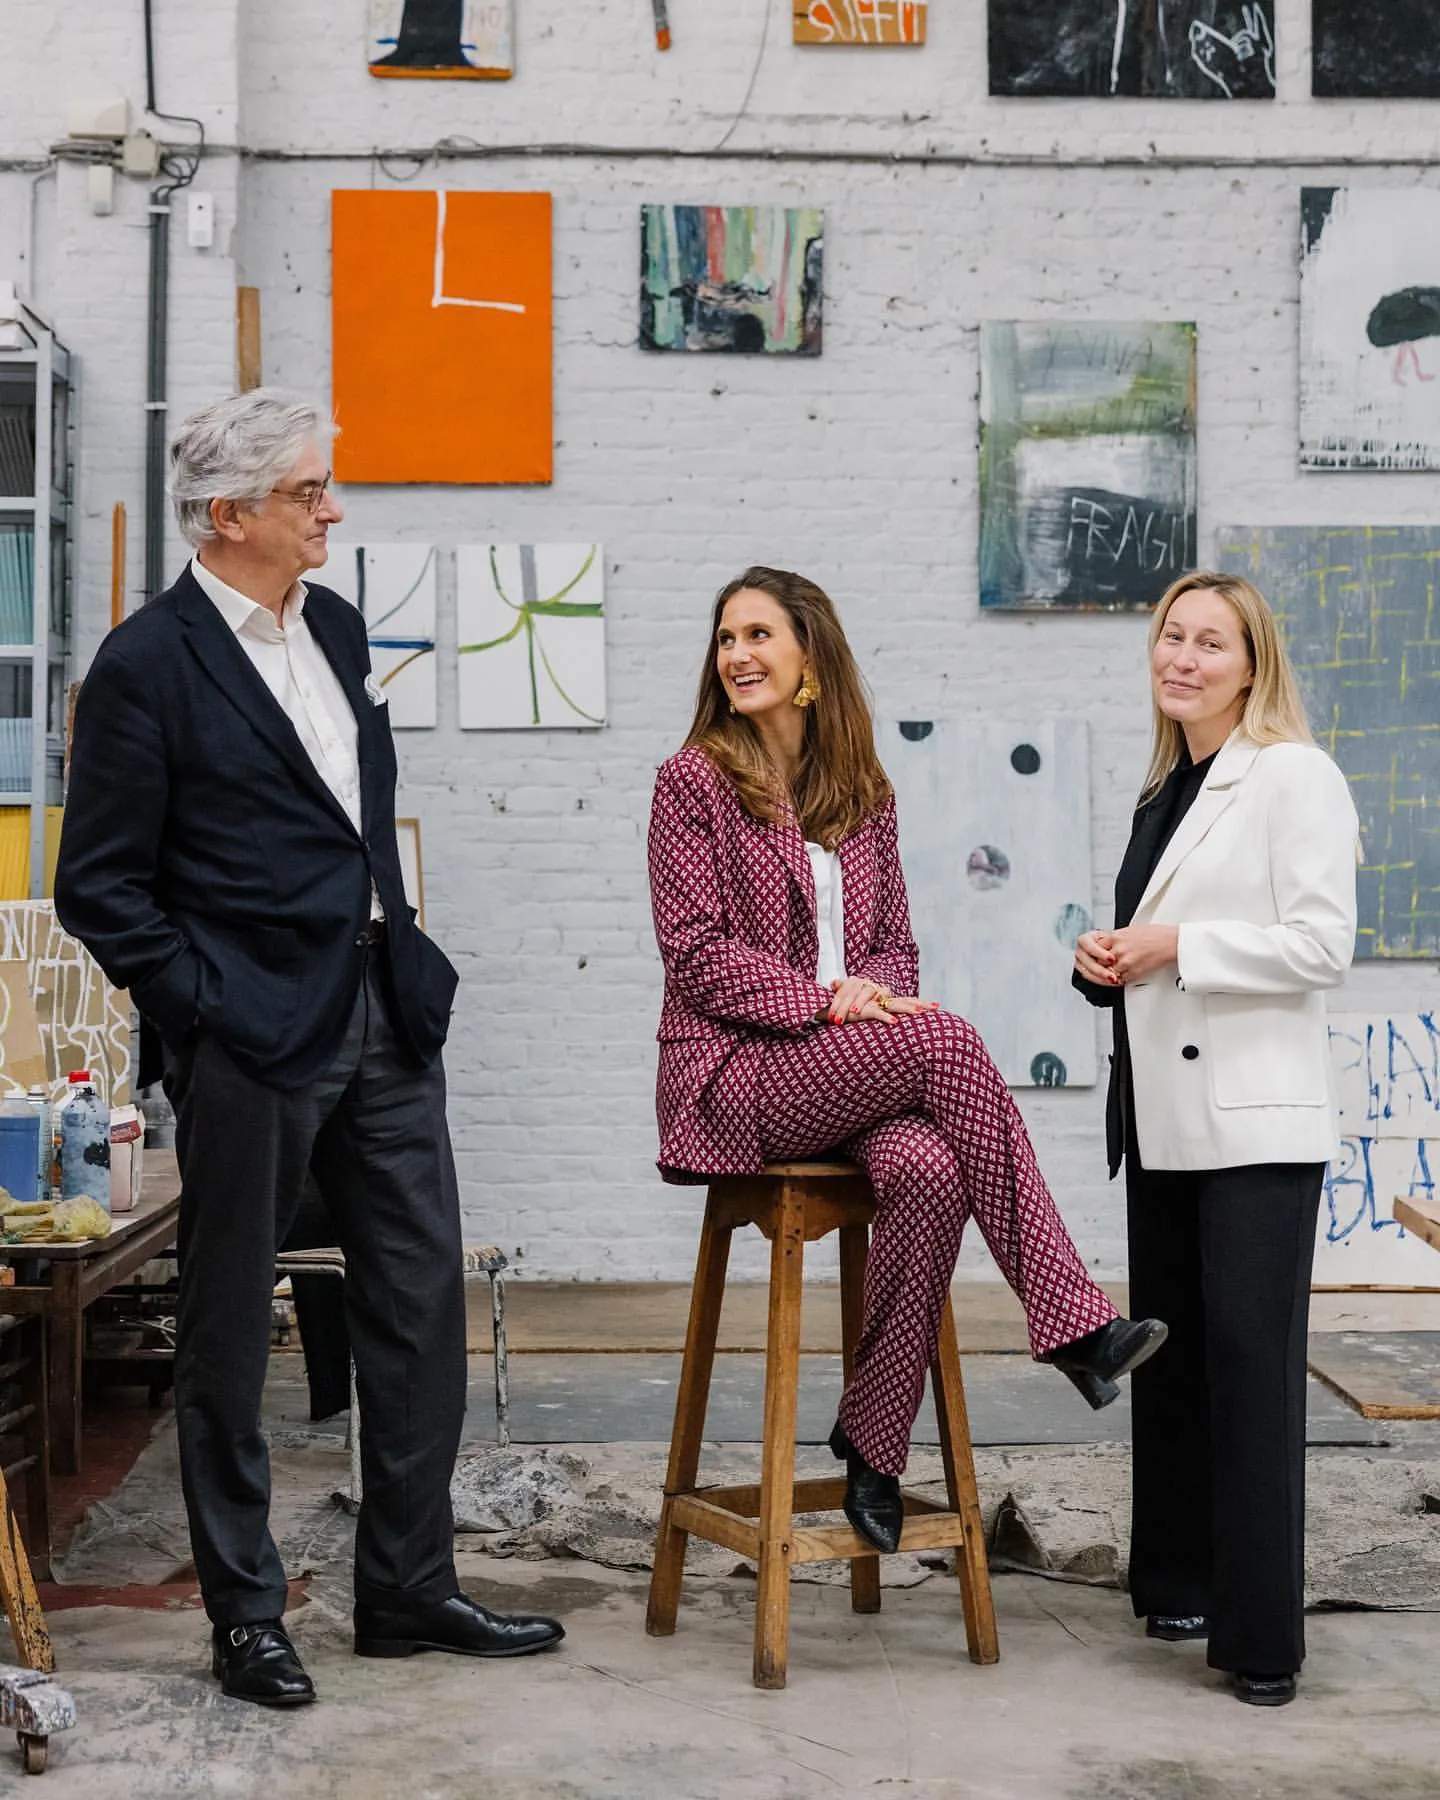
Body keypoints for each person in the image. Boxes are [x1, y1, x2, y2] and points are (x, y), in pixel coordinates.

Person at [54, 390, 563, 1707]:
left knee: (416, 1307)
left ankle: (404, 1587)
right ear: (229, 516)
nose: (332, 510)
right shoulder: (145, 664)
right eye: (307, 494)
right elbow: (100, 888)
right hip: (254, 1038)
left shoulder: (331, 627)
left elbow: (348, 820)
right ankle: (245, 1611)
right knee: (230, 1332)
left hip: (383, 1013)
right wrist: (207, 1006)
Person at [647, 565, 1167, 1553]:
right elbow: (699, 954)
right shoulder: (694, 785)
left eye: (760, 634)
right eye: (726, 639)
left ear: (811, 656)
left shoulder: (863, 792)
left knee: (929, 1171)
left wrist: (865, 993)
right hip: (739, 1075)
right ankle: (1068, 1320)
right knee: (949, 1039)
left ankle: (873, 1449)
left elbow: (893, 947)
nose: (738, 655)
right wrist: (826, 1003)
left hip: (844, 1068)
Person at [1072, 569, 1358, 1708]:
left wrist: (1176, 945)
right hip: (1163, 1122)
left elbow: (1321, 946)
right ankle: (1178, 1582)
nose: (1183, 658)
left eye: (1210, 643)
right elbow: (1149, 948)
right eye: (1171, 638)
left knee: (1250, 1381)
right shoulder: (1165, 790)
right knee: (1175, 1374)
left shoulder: (1292, 774)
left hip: (1254, 1128)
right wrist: (1107, 962)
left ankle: (1260, 1643)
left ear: (1252, 664)